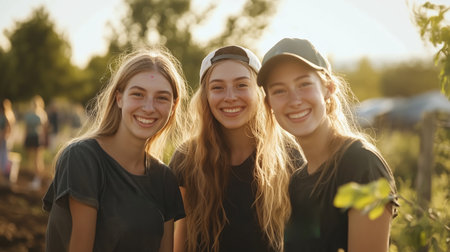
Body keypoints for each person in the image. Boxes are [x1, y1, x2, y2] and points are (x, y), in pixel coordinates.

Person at [257, 37, 398, 252]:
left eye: (304, 84)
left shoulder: (360, 164)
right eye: (279, 90)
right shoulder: (297, 181)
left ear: (329, 88)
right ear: (269, 104)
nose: (294, 100)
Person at [43, 47, 188, 252]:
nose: (148, 107)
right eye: (138, 94)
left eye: (161, 98)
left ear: (173, 106)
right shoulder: (82, 158)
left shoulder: (165, 179)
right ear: (119, 98)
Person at [169, 45, 299, 252]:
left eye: (241, 85)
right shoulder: (187, 157)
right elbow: (178, 240)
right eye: (217, 87)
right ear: (206, 97)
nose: (230, 96)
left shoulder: (288, 154)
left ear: (259, 93)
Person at [23, 95, 48, 190]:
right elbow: (44, 129)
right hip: (35, 137)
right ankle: (37, 178)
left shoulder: (36, 114)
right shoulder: (39, 114)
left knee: (36, 159)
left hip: (35, 137)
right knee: (36, 159)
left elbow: (44, 129)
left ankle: (38, 179)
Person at [0, 99, 15, 181]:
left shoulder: (6, 115)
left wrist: (2, 137)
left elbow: (7, 129)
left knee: (3, 157)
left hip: (4, 139)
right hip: (4, 138)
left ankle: (3, 176)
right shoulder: (8, 114)